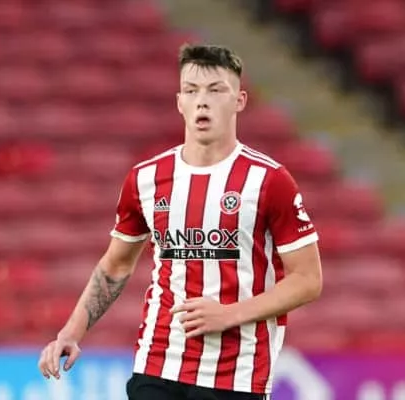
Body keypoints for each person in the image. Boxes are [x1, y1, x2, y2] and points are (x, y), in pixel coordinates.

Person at [38, 44, 323, 400]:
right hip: (158, 363)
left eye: (215, 90)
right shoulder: (146, 178)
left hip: (237, 374)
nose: (202, 101)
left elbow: (308, 279)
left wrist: (230, 314)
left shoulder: (270, 180)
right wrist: (71, 332)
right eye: (191, 91)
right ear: (179, 102)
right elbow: (116, 265)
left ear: (239, 101)